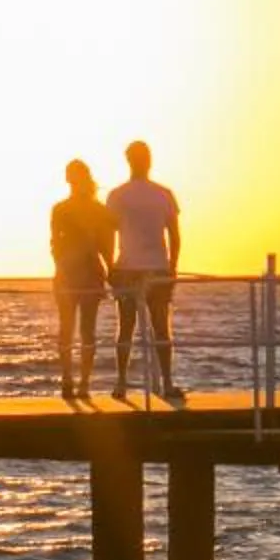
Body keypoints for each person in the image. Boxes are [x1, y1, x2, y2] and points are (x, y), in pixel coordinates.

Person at [107, 138, 182, 400]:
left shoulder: (117, 195)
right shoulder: (164, 194)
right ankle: (167, 383)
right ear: (147, 161)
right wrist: (172, 268)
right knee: (160, 328)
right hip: (156, 269)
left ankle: (121, 383)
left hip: (129, 268)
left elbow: (108, 233)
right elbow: (175, 236)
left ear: (129, 161)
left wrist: (110, 266)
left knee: (126, 327)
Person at [48, 159, 117, 400]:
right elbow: (54, 243)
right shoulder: (62, 209)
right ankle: (70, 380)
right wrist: (61, 267)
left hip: (87, 275)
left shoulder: (96, 210)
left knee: (83, 330)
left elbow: (106, 245)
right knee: (70, 330)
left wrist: (110, 269)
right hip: (70, 275)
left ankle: (82, 382)